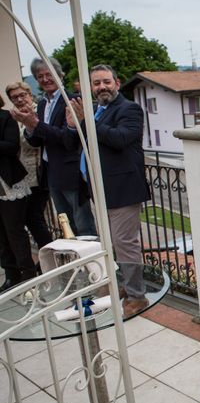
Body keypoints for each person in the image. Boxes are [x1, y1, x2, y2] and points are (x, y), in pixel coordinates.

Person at [65, 64, 151, 316]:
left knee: (125, 244)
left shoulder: (130, 109)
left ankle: (138, 296)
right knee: (111, 243)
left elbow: (121, 138)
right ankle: (123, 285)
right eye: (96, 83)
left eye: (106, 81)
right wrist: (74, 126)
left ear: (117, 82)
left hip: (123, 189)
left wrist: (87, 121)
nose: (101, 87)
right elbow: (78, 142)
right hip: (100, 189)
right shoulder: (97, 111)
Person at [11, 57, 96, 236]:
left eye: (49, 74)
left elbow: (68, 139)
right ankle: (76, 261)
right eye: (40, 76)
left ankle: (93, 262)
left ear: (60, 75)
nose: (45, 79)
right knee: (66, 225)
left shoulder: (72, 100)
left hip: (71, 173)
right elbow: (37, 142)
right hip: (52, 173)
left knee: (83, 224)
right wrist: (29, 125)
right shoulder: (42, 104)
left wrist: (36, 124)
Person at [5, 82, 53, 250]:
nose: (19, 99)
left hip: (40, 172)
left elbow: (35, 141)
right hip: (24, 175)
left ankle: (49, 253)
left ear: (29, 94)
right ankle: (46, 253)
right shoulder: (13, 116)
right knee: (31, 218)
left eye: (22, 95)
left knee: (34, 217)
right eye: (14, 97)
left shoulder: (37, 110)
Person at [0, 94, 37, 292]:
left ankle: (28, 274)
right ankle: (11, 275)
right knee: (0, 234)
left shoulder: (6, 117)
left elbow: (12, 146)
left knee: (14, 230)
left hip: (9, 183)